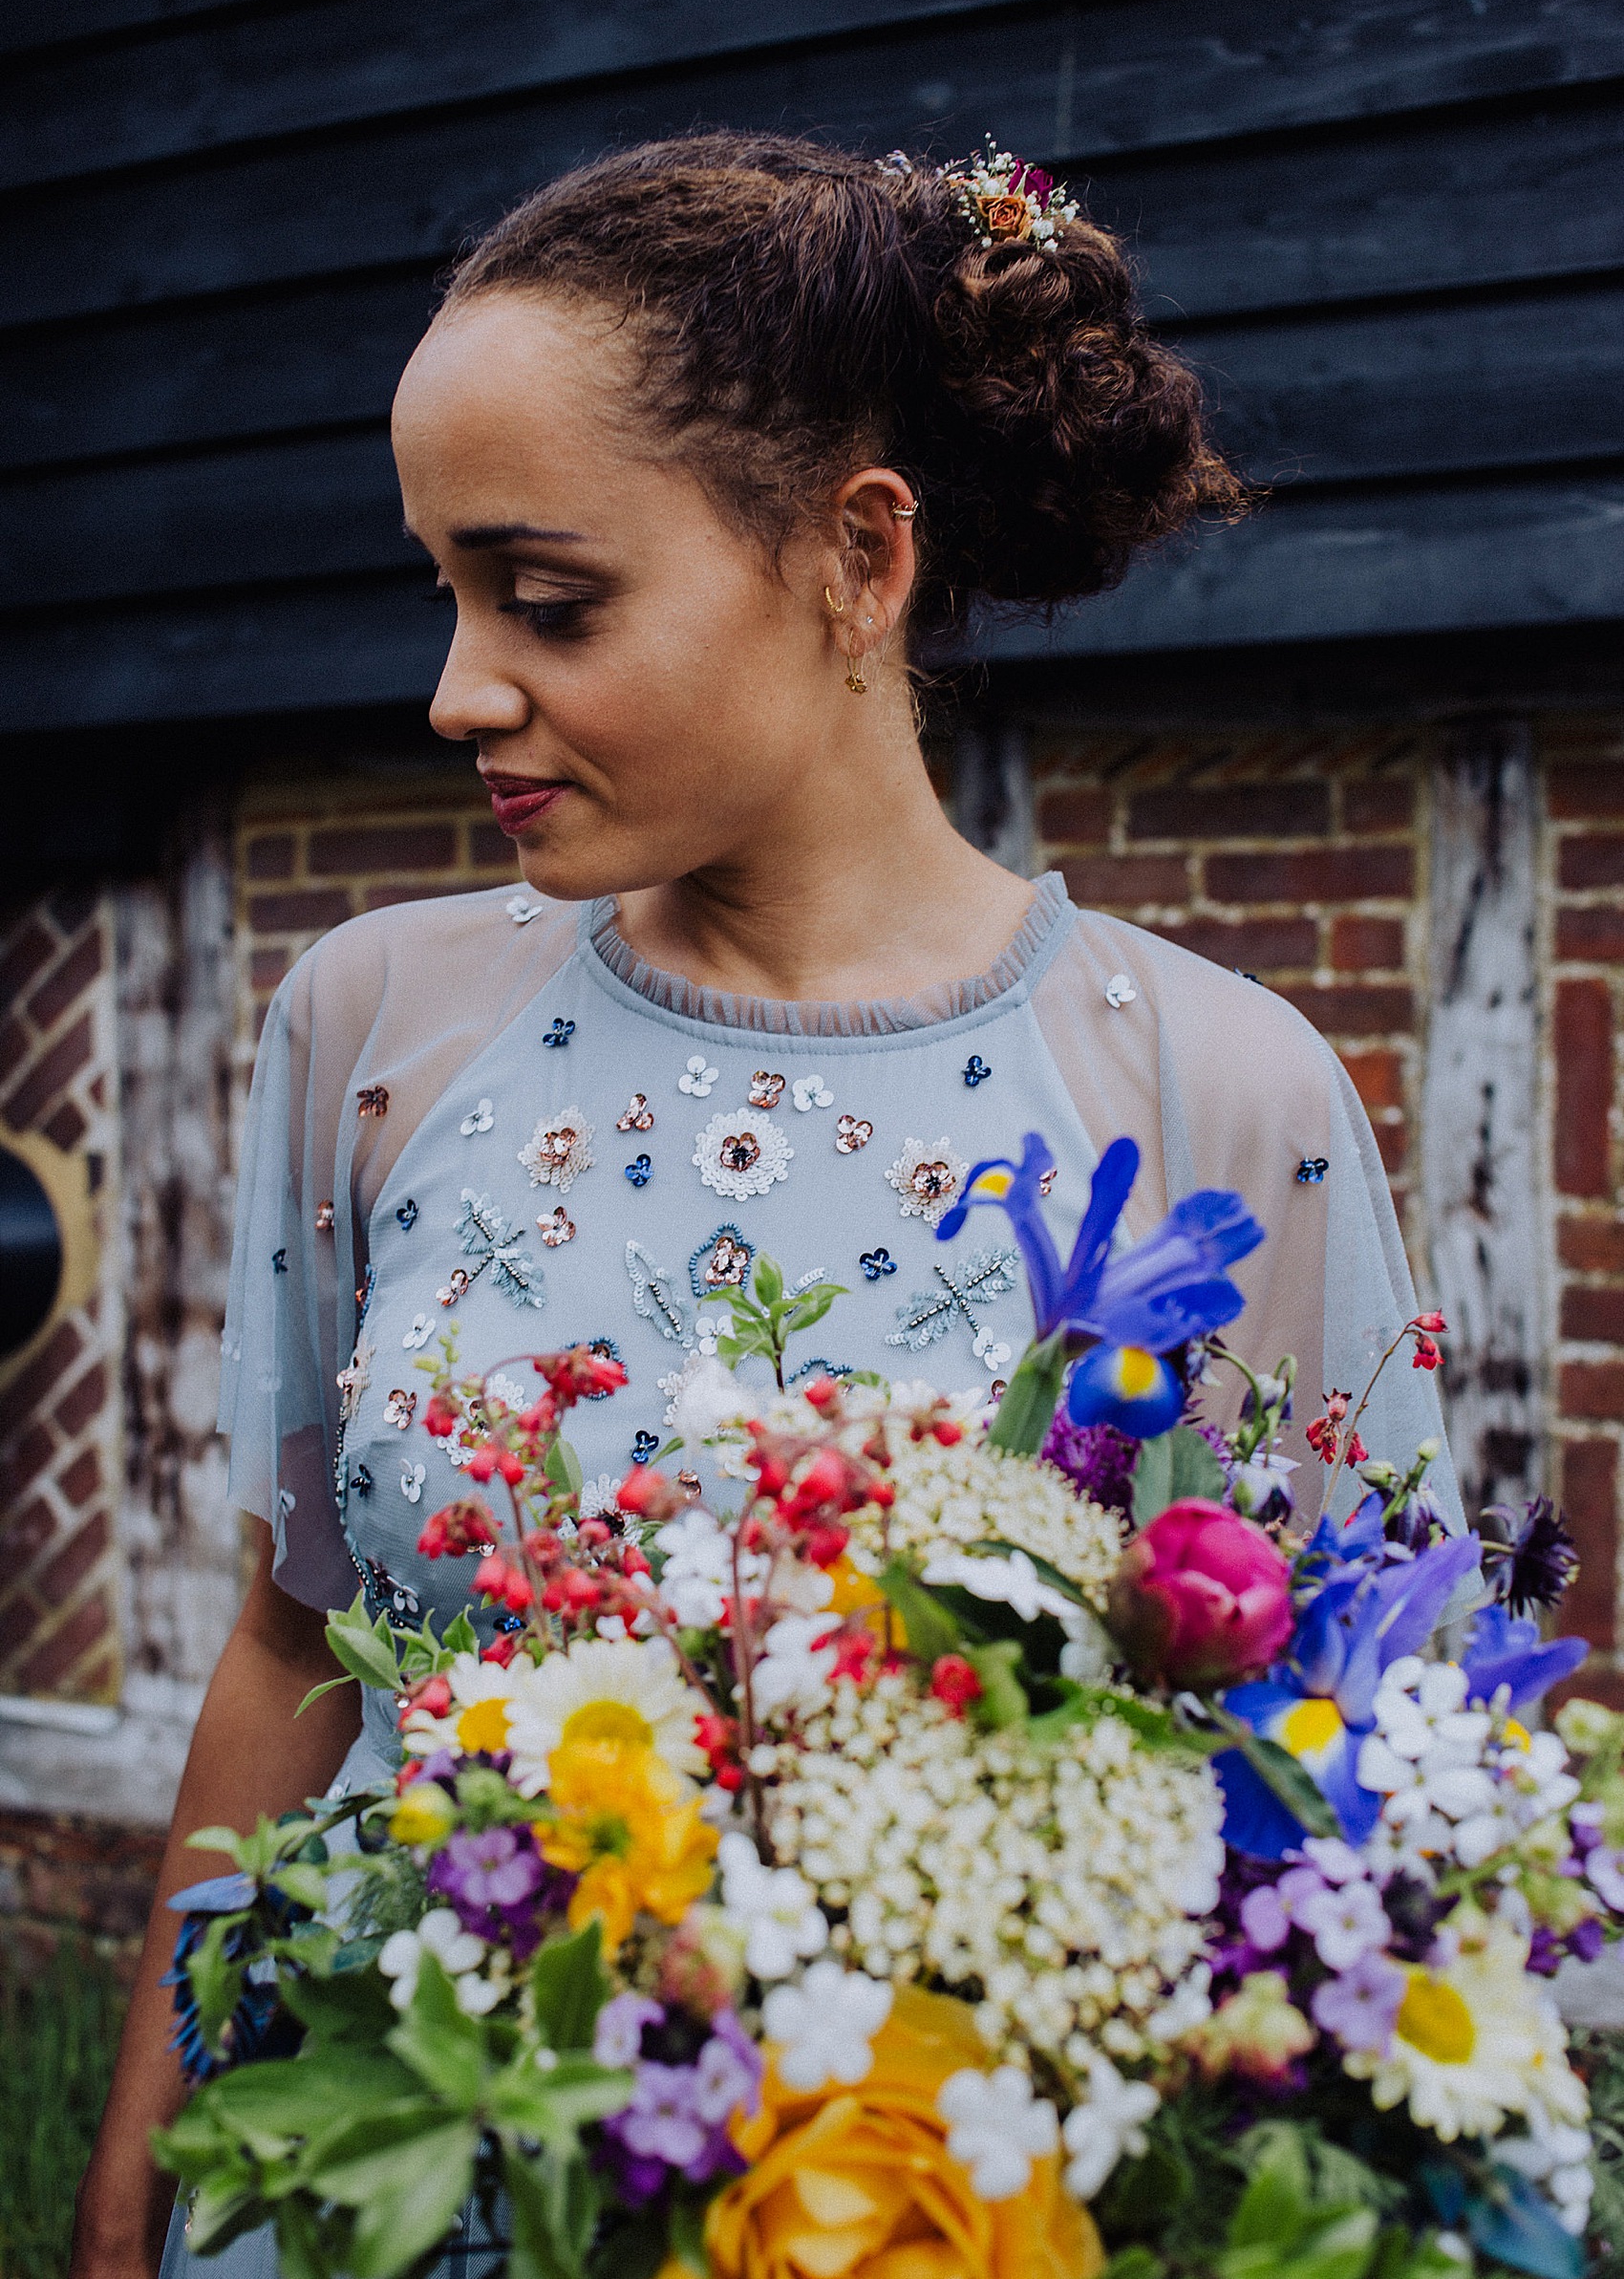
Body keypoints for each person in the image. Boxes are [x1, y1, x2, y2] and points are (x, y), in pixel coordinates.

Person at [71, 132, 1455, 2279]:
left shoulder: (1209, 1090)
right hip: (357, 2185)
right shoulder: (373, 1027)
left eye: (545, 599)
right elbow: (286, 1647)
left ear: (858, 553)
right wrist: (133, 2192)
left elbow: (1371, 1778)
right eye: (440, 591)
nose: (457, 687)